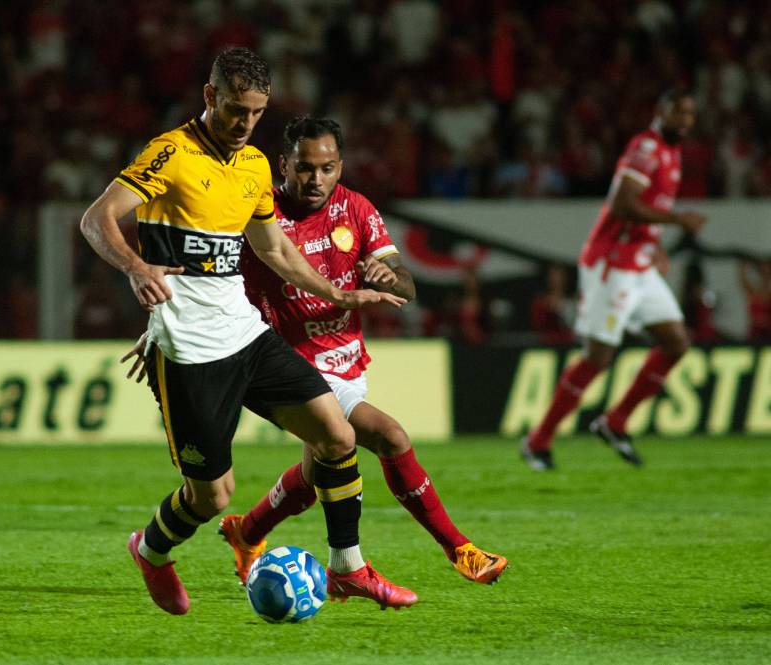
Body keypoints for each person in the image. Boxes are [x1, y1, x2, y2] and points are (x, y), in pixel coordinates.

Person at [80, 47, 411, 616]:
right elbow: (97, 218)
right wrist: (137, 269)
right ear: (210, 97)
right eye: (236, 109)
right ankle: (152, 551)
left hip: (245, 334)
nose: (245, 123)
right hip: (188, 350)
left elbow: (272, 247)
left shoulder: (256, 164)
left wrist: (336, 293)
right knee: (212, 497)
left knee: (336, 436)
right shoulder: (171, 154)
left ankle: (348, 567)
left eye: (257, 113)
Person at [127, 116, 507, 588]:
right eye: (305, 168)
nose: (316, 179)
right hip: (285, 358)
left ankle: (248, 531)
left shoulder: (356, 208)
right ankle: (457, 550)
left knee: (318, 468)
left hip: (347, 359)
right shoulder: (255, 212)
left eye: (327, 168)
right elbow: (204, 281)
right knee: (388, 437)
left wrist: (390, 278)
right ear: (283, 165)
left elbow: (404, 280)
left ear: (340, 166)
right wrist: (162, 327)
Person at [520, 89, 708, 471]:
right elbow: (624, 204)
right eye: (680, 113)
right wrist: (677, 221)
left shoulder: (672, 152)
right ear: (662, 110)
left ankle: (616, 421)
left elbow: (645, 211)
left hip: (639, 263)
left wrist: (655, 244)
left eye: (691, 115)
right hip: (612, 264)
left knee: (676, 341)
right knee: (598, 356)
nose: (686, 121)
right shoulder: (646, 148)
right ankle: (537, 440)